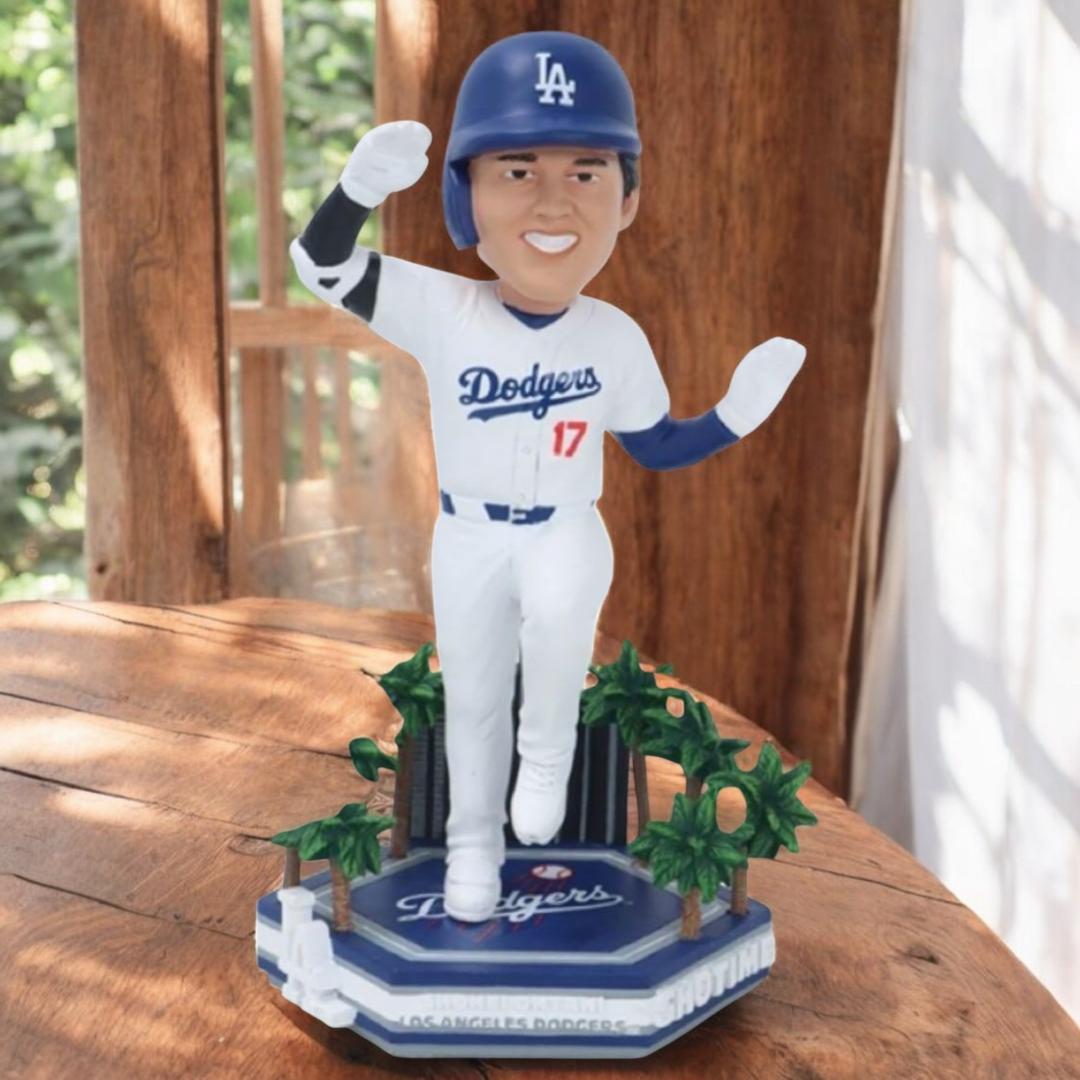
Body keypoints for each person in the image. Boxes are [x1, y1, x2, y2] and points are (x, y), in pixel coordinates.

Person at [290, 30, 805, 923]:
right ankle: (473, 849)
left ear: (628, 199)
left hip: (566, 525)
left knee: (560, 648)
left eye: (587, 171)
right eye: (518, 170)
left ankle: (546, 766)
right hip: (469, 532)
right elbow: (321, 264)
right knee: (473, 697)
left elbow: (655, 446)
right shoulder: (446, 308)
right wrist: (357, 190)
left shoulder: (613, 335)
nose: (553, 200)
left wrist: (733, 416)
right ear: (468, 196)